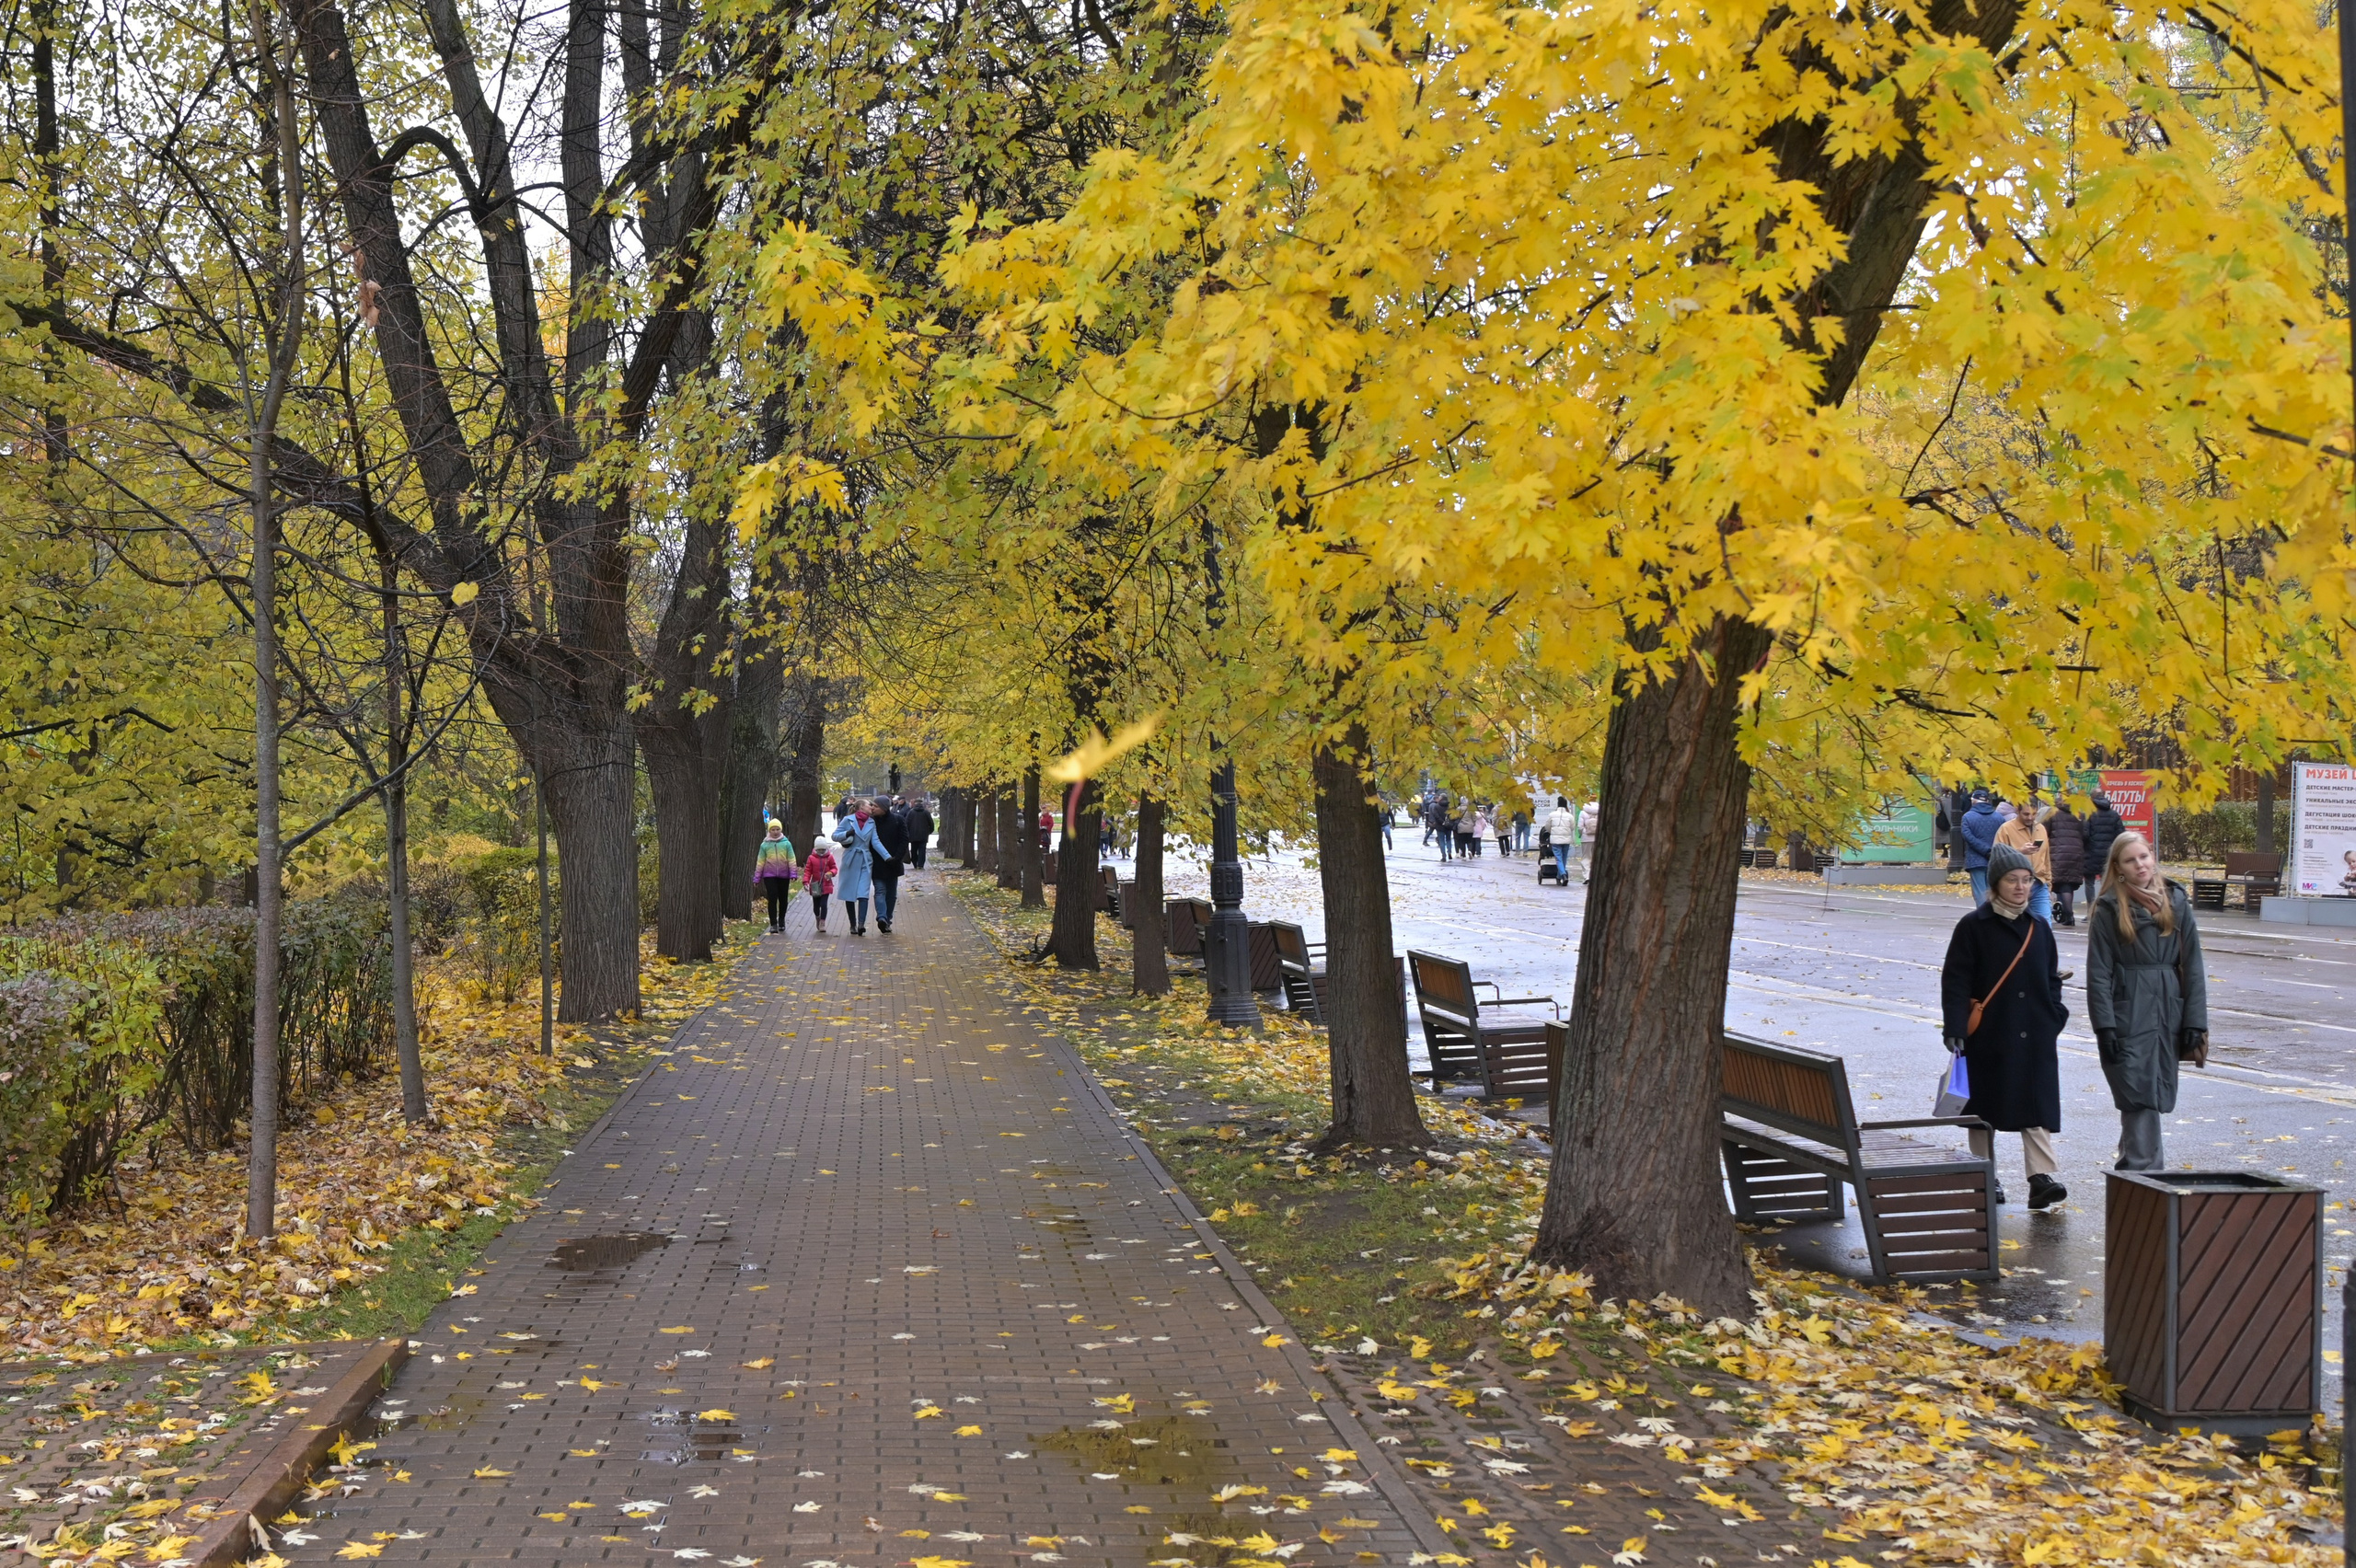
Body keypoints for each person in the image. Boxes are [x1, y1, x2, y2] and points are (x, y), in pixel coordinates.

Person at [1940, 842, 2069, 1209]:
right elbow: (1956, 981)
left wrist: (2055, 1015)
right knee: (1984, 1109)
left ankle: (2040, 1178)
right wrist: (1956, 1028)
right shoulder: (1973, 926)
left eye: (2026, 880)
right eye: (2012, 879)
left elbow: (2051, 976)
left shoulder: (2039, 927)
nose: (2020, 887)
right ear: (1995, 884)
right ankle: (1985, 1173)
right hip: (1989, 1034)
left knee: (2036, 1103)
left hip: (2035, 1032)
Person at [2086, 831, 2207, 1171]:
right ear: (2118, 868)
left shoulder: (2176, 901)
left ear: (2153, 857)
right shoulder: (2110, 907)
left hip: (2170, 1008)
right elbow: (2098, 973)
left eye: (2144, 856)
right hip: (2128, 1009)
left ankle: (2133, 1167)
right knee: (2137, 1089)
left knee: (2154, 1091)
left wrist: (2196, 1021)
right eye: (2130, 860)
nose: (2140, 864)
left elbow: (2194, 965)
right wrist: (2105, 1027)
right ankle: (2144, 1173)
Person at [833, 803, 889, 935]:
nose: (872, 807)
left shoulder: (871, 822)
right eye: (869, 805)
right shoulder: (848, 820)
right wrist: (847, 833)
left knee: (863, 892)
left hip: (865, 859)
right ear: (861, 808)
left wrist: (887, 857)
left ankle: (861, 925)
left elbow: (875, 842)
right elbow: (834, 836)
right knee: (849, 893)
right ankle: (852, 924)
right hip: (850, 859)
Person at [1994, 801, 2053, 924]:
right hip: (2014, 885)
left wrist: (2048, 884)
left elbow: (2046, 858)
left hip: (2039, 883)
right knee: (2015, 926)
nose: (2030, 818)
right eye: (2026, 814)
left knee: (2045, 925)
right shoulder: (2006, 829)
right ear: (2017, 811)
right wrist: (2020, 851)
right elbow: (1996, 859)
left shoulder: (2040, 829)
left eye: (2034, 814)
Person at [869, 796, 910, 932]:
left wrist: (896, 858)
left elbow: (904, 840)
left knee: (891, 894)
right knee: (880, 891)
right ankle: (882, 918)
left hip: (894, 863)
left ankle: (887, 919)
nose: (872, 808)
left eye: (875, 806)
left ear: (884, 808)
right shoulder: (871, 822)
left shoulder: (898, 820)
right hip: (877, 863)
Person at [751, 820, 798, 933]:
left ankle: (781, 920)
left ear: (781, 830)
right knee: (772, 897)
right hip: (769, 875)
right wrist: (757, 877)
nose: (775, 832)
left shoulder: (787, 844)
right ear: (769, 831)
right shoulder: (765, 845)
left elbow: (791, 859)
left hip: (784, 875)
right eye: (773, 829)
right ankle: (773, 923)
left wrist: (793, 873)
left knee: (783, 898)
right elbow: (760, 861)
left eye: (778, 829)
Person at [2046, 800, 2086, 926]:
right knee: (2068, 884)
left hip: (2058, 851)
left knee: (2063, 884)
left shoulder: (2052, 813)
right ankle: (2066, 914)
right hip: (2076, 851)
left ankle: (2069, 916)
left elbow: (2044, 831)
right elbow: (2085, 833)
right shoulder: (2079, 813)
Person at [1958, 789, 2001, 903]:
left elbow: (1968, 837)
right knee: (1993, 892)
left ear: (1973, 801)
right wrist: (1992, 852)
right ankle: (1993, 917)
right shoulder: (1999, 817)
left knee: (1980, 894)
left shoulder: (1967, 817)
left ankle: (1983, 918)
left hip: (1976, 860)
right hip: (1995, 860)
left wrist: (1985, 851)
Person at [2083, 792, 2125, 901]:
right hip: (2108, 854)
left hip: (2091, 853)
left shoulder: (2089, 814)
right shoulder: (2114, 814)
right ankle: (2104, 909)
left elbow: (2085, 834)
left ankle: (2090, 912)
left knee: (2089, 883)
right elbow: (2121, 835)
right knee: (2106, 882)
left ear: (2092, 798)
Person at [802, 839, 838, 933]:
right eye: (819, 850)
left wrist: (831, 873)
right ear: (815, 849)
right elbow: (808, 871)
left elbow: (834, 868)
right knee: (816, 906)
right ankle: (818, 917)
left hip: (826, 884)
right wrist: (806, 882)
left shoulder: (829, 857)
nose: (821, 852)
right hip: (815, 885)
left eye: (823, 850)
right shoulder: (811, 858)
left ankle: (822, 922)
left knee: (824, 904)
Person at [1544, 796, 1577, 882]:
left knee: (1558, 858)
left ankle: (1563, 874)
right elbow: (1572, 827)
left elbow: (1547, 827)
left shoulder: (1552, 815)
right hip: (1566, 840)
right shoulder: (1570, 816)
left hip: (1555, 840)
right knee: (1564, 858)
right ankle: (1559, 877)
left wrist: (1553, 831)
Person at [907, 796, 934, 870]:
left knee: (913, 850)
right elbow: (931, 823)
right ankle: (921, 865)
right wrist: (929, 832)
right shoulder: (926, 812)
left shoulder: (911, 812)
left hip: (913, 835)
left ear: (915, 804)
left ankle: (915, 863)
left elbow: (907, 823)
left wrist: (908, 833)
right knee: (922, 850)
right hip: (923, 835)